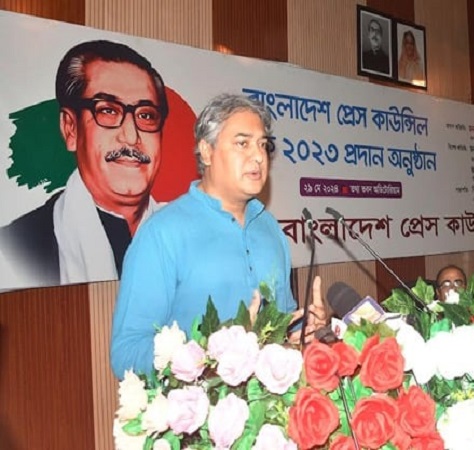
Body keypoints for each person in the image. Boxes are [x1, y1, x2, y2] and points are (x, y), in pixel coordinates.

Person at [110, 93, 326, 379]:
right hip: (198, 405)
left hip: (271, 403)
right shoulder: (162, 234)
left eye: (263, 145)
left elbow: (282, 324)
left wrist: (304, 330)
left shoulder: (270, 228)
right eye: (243, 143)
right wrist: (211, 355)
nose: (258, 156)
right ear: (207, 151)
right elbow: (126, 354)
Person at [0, 40, 168, 287]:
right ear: (71, 129)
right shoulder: (14, 250)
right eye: (108, 110)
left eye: (145, 115)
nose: (132, 137)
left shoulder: (188, 233)